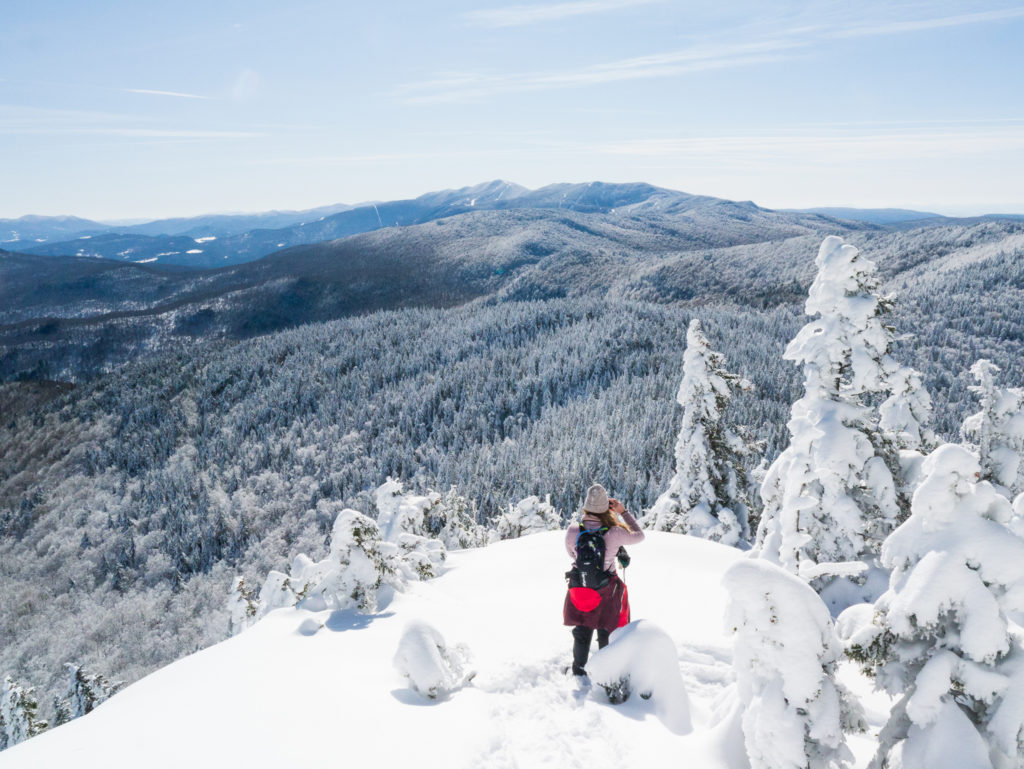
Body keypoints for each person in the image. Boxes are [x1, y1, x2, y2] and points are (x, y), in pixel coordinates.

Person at [563, 483, 645, 676]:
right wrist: (623, 512)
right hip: (606, 588)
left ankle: (579, 670)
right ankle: (606, 673)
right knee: (605, 630)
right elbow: (640, 536)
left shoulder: (574, 530)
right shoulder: (615, 533)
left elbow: (571, 555)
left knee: (582, 630)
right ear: (605, 508)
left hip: (580, 586)